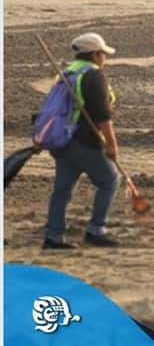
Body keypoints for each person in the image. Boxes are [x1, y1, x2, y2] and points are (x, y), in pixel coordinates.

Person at [40, 33, 120, 249]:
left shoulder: (67, 72)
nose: (105, 58)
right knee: (109, 181)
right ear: (95, 54)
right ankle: (96, 230)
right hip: (85, 140)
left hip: (62, 141)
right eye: (103, 54)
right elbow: (103, 115)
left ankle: (53, 237)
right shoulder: (93, 76)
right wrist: (112, 144)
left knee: (62, 190)